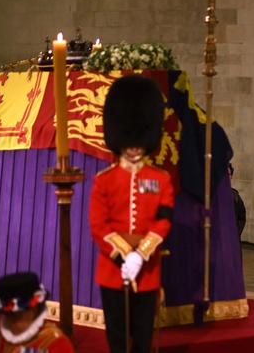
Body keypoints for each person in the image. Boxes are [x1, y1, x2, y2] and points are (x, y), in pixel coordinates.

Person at [89, 75, 174, 353]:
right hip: (112, 271)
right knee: (117, 336)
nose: (135, 145)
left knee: (143, 337)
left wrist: (141, 254)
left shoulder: (160, 179)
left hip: (147, 271)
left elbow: (163, 221)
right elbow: (98, 225)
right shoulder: (104, 180)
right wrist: (125, 252)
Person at [0, 272, 74, 353]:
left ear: (34, 310)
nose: (11, 324)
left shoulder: (56, 343)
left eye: (17, 316)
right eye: (7, 315)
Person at [227, 163, 246, 237]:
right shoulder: (210, 195)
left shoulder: (235, 196)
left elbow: (241, 218)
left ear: (231, 176)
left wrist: (235, 234)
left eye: (228, 174)